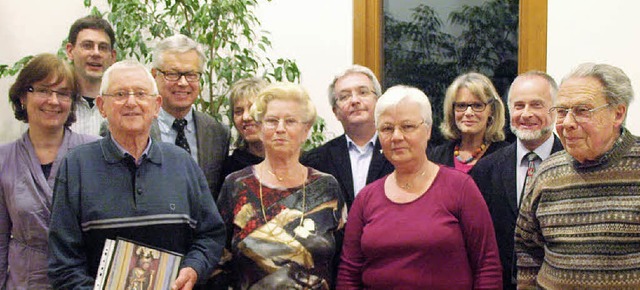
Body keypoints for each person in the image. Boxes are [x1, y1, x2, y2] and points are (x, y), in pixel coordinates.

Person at [47, 60, 225, 290]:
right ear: (102, 106)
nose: (132, 102)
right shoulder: (76, 166)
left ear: (156, 105)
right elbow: (63, 262)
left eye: (141, 94)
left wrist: (193, 268)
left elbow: (210, 235)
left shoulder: (183, 163)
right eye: (120, 94)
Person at [337, 85, 502, 289]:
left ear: (428, 130)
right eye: (387, 128)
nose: (396, 136)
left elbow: (488, 267)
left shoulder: (460, 188)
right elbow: (348, 273)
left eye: (407, 127)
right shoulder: (366, 198)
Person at [515, 63, 640, 289]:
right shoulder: (546, 173)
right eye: (562, 112)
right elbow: (526, 250)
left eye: (582, 111)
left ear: (618, 113)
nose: (568, 123)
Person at [216, 82, 347, 289]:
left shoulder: (327, 187)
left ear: (305, 131)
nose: (280, 129)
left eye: (290, 121)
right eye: (271, 121)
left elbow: (343, 261)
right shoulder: (236, 185)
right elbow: (219, 261)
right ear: (260, 128)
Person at [0, 54, 98, 289]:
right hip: (26, 279)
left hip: (81, 279)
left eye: (63, 93)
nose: (54, 101)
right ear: (23, 96)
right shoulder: (3, 159)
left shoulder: (94, 152)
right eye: (44, 90)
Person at [470, 71, 563, 290]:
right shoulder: (485, 169)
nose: (526, 114)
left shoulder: (573, 166)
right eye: (519, 106)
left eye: (536, 105)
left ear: (555, 110)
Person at [301, 65, 393, 209]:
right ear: (335, 112)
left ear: (378, 102)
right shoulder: (316, 161)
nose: (355, 100)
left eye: (363, 92)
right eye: (344, 97)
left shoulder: (398, 150)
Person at [150, 34, 230, 199]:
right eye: (172, 74)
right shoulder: (136, 126)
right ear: (154, 75)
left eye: (191, 75)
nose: (183, 83)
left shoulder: (218, 133)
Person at [429, 72, 510, 173]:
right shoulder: (437, 156)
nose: (468, 113)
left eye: (477, 106)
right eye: (461, 106)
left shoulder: (506, 157)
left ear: (492, 110)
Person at [66, 15, 117, 135]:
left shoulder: (122, 106)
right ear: (70, 51)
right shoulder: (54, 105)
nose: (96, 53)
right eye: (87, 46)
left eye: (103, 48)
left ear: (112, 56)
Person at [221, 77, 268, 179]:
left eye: (253, 109)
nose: (246, 117)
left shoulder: (297, 163)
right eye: (239, 111)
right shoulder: (230, 170)